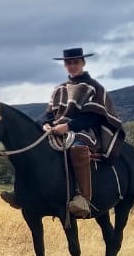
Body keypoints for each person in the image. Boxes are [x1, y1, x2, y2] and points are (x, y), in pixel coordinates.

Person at [40, 47, 125, 218]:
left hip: (85, 131)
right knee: (33, 148)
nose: (72, 66)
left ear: (83, 63)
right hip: (57, 130)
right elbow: (48, 114)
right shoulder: (59, 89)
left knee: (77, 147)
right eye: (68, 63)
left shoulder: (94, 87)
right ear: (65, 65)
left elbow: (94, 117)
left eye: (75, 62)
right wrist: (46, 125)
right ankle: (28, 191)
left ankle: (83, 198)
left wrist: (69, 127)